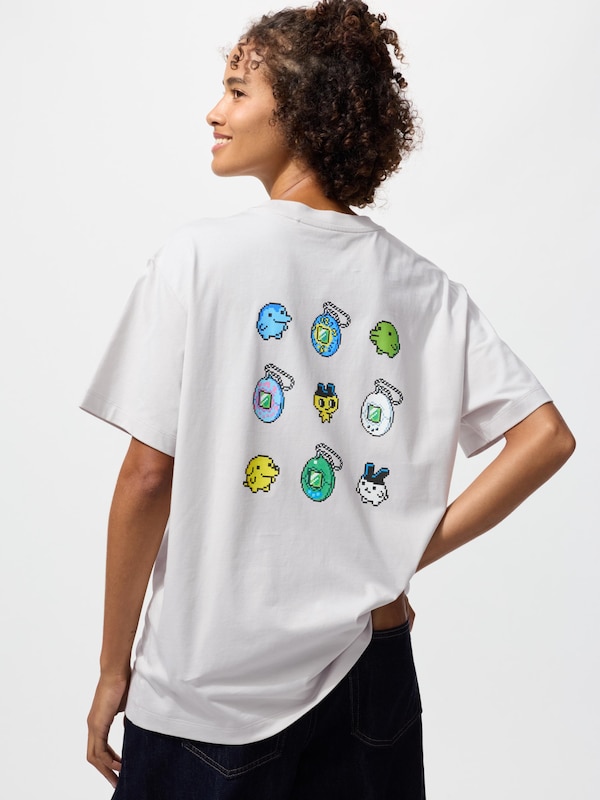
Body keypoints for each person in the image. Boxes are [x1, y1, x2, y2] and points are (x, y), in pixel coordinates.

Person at [82, 1, 575, 798]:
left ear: (300, 111)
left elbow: (147, 477)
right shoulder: (424, 289)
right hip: (366, 670)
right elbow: (546, 437)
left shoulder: (198, 260)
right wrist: (396, 559)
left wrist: (113, 668)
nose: (214, 111)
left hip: (212, 681)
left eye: (237, 90)